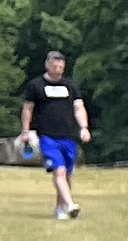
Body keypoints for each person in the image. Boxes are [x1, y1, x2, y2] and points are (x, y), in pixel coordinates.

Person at [22, 50, 86, 219]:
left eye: (61, 66)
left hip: (68, 136)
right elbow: (28, 109)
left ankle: (60, 207)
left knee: (68, 175)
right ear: (47, 64)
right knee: (59, 171)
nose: (58, 69)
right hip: (47, 136)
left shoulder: (70, 86)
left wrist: (84, 127)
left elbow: (78, 107)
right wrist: (25, 131)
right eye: (55, 65)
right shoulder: (36, 86)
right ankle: (71, 204)